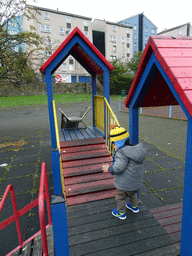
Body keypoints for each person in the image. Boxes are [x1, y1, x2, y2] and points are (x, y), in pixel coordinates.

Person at [102, 126, 147, 220]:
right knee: (132, 193)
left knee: (121, 198)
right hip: (136, 183)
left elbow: (118, 168)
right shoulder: (134, 150)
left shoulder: (121, 153)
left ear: (120, 143)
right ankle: (134, 207)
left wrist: (109, 168)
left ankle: (121, 213)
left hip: (125, 185)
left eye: (114, 144)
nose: (113, 146)